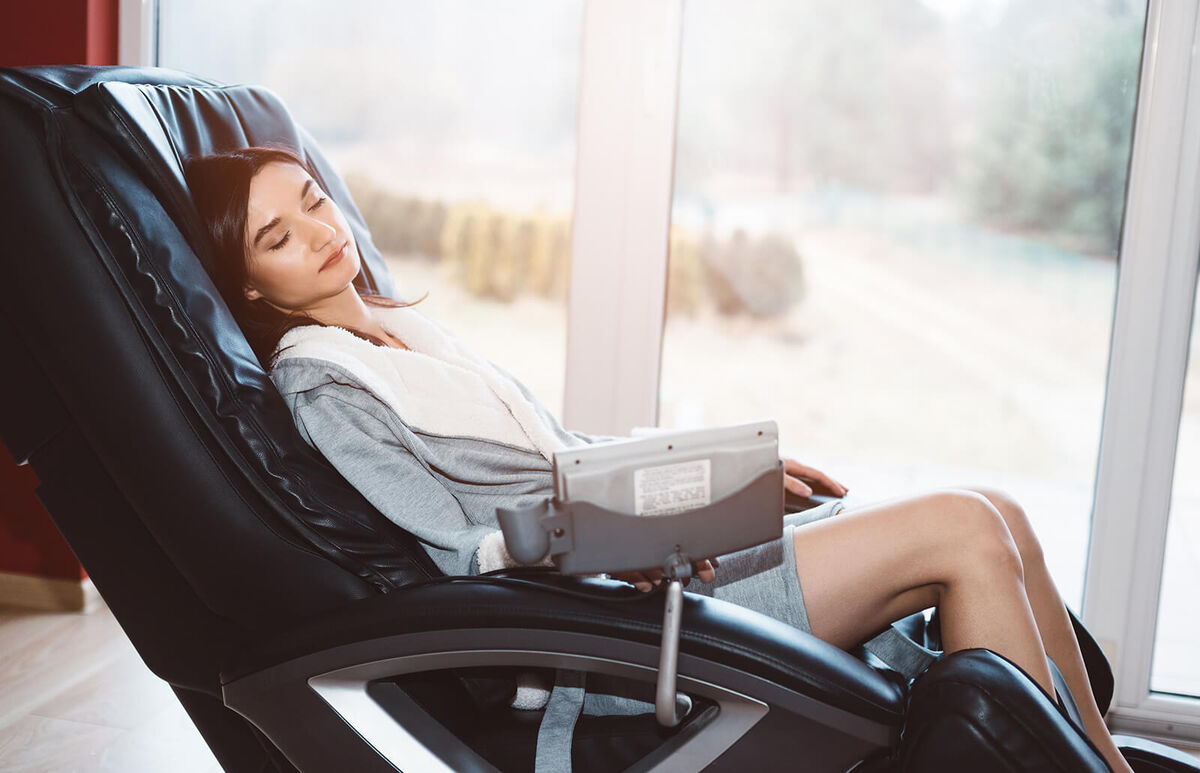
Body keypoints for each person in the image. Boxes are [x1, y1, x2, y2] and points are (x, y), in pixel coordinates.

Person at [185, 145, 1133, 773]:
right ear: (251, 285)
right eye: (277, 236)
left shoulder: (401, 337)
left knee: (995, 506)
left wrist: (728, 478)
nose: (318, 231)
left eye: (312, 200)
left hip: (645, 561)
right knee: (961, 531)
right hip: (598, 626)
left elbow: (566, 452)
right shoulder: (326, 387)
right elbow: (457, 552)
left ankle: (1108, 763)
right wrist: (597, 535)